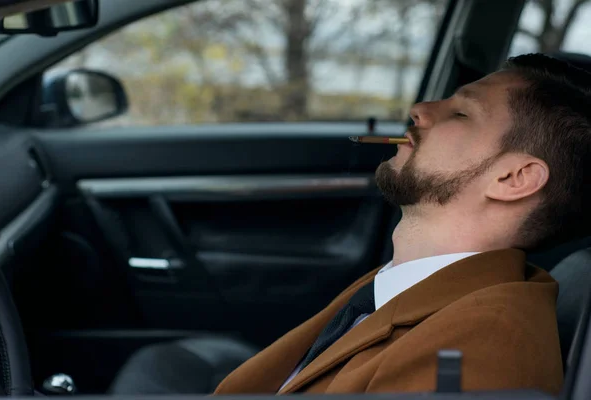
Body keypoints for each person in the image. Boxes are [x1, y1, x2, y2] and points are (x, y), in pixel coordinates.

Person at [213, 53, 591, 395]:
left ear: (514, 178)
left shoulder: (478, 347)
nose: (419, 110)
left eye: (461, 113)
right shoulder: (410, 285)